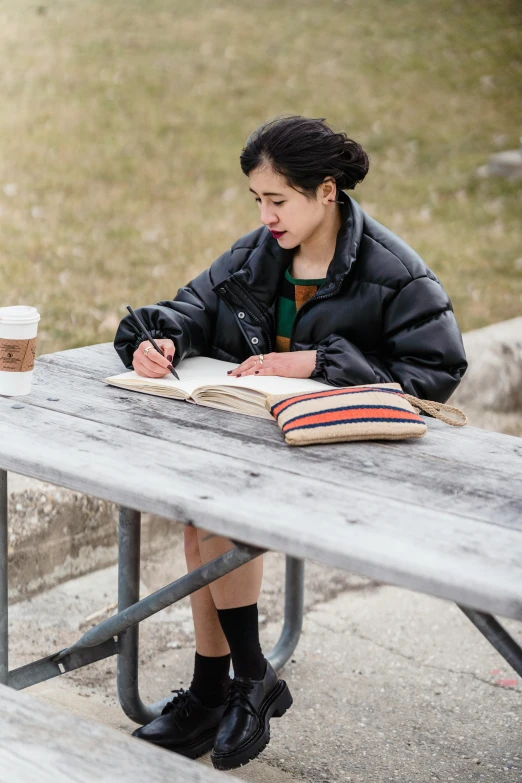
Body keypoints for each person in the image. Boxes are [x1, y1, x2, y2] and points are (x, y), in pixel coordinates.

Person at [113, 114, 468, 770]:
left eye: (278, 199)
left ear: (326, 191)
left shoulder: (393, 271)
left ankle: (234, 683)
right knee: (203, 518)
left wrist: (317, 362)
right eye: (257, 199)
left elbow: (437, 373)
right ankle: (230, 684)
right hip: (264, 441)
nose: (265, 213)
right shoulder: (258, 254)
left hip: (348, 457)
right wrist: (160, 340)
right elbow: (193, 306)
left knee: (216, 515)